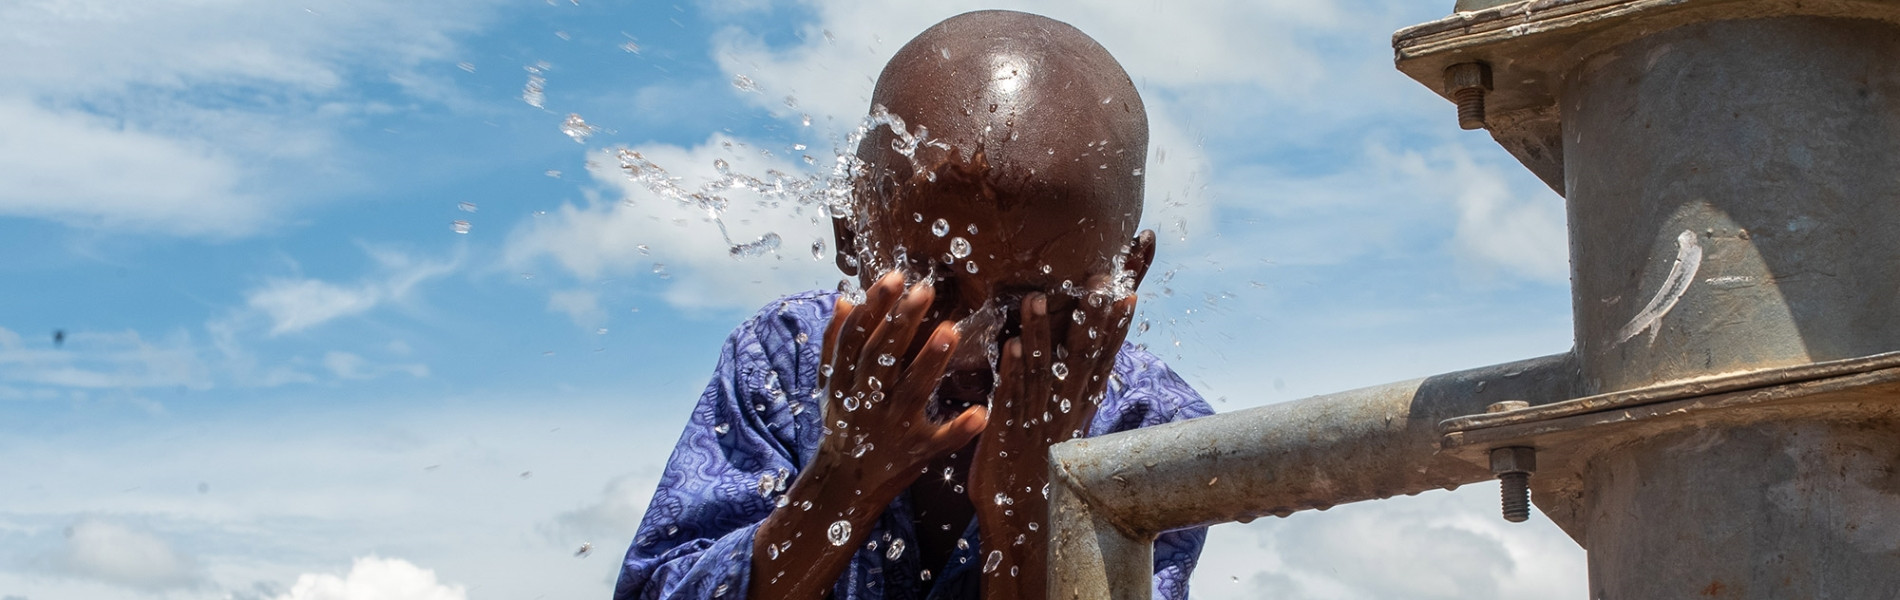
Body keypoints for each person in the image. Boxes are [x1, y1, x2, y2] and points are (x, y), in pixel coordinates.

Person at [615, 10, 1212, 600]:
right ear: (852, 230)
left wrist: (1026, 506)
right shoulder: (786, 358)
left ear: (1123, 272)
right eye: (929, 282)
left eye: (1028, 305)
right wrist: (843, 481)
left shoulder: (1149, 428)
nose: (966, 343)